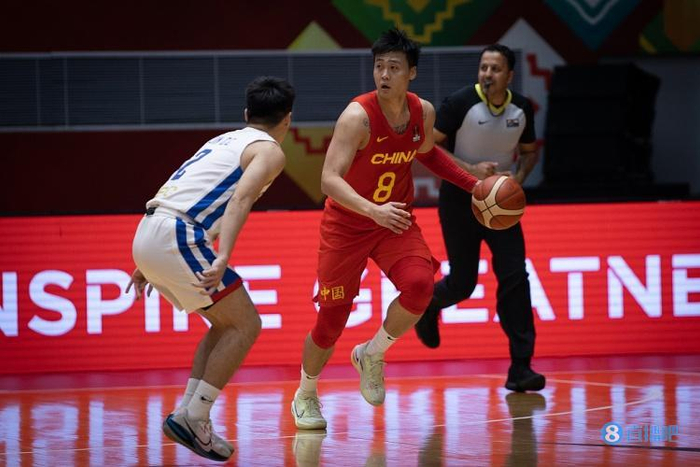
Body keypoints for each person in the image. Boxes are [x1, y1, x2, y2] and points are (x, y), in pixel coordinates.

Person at [291, 28, 480, 430]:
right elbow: (328, 179)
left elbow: (428, 154)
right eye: (379, 66)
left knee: (421, 286)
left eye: (394, 67)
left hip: (393, 219)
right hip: (347, 224)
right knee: (332, 321)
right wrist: (371, 210)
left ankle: (372, 353)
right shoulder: (356, 117)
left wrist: (474, 185)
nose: (384, 74)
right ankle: (305, 393)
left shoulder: (422, 112)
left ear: (412, 72)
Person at [126, 76, 295, 461]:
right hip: (178, 234)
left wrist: (146, 260)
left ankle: (188, 413)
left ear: (246, 114)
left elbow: (188, 193)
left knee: (224, 324)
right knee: (246, 325)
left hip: (151, 228)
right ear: (287, 120)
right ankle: (196, 416)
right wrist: (223, 256)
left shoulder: (222, 140)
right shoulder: (269, 150)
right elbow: (241, 200)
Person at [414, 44, 545, 392]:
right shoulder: (459, 103)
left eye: (495, 69)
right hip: (460, 200)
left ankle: (521, 367)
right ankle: (429, 305)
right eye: (484, 67)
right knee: (463, 283)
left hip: (502, 203)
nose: (488, 74)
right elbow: (428, 148)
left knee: (515, 278)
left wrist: (518, 178)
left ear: (509, 76)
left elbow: (529, 152)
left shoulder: (522, 108)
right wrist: (471, 169)